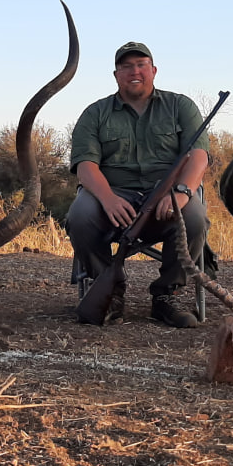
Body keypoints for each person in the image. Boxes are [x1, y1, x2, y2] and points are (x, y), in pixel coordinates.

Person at [66, 41, 209, 328]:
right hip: (114, 197)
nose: (135, 71)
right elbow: (86, 166)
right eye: (126, 66)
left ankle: (166, 296)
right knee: (80, 215)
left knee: (194, 217)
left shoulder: (181, 106)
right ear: (116, 74)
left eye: (141, 65)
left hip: (167, 198)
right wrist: (107, 198)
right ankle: (110, 291)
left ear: (153, 70)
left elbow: (199, 157)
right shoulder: (95, 113)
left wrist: (181, 194)